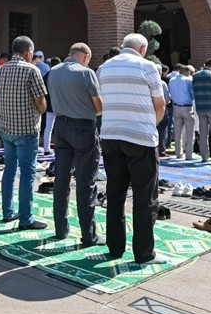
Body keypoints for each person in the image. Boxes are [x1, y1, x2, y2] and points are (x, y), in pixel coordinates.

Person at [98, 33, 166, 265]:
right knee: (145, 196)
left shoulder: (104, 67)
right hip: (140, 138)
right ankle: (144, 253)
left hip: (110, 134)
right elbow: (160, 105)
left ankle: (115, 247)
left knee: (115, 194)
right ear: (142, 48)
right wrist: (149, 126)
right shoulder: (147, 66)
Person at [49, 43, 103, 247]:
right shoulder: (86, 73)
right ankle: (89, 235)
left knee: (61, 179)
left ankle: (60, 229)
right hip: (82, 127)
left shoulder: (53, 71)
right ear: (86, 56)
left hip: (61, 126)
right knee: (85, 182)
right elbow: (98, 107)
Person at [0, 36, 48, 230]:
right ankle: (26, 219)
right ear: (28, 52)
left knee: (9, 170)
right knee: (27, 174)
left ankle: (8, 211)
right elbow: (41, 101)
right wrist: (40, 111)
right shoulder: (32, 70)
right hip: (26, 129)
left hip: (7, 128)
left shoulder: (1, 69)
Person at [169, 64, 196, 160]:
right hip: (187, 107)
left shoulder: (171, 80)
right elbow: (192, 94)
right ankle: (189, 154)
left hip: (176, 107)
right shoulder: (188, 80)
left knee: (177, 132)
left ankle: (178, 153)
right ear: (188, 72)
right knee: (189, 132)